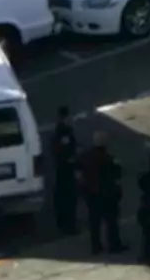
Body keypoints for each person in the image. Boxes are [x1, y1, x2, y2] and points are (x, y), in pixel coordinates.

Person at [78, 131, 125, 254]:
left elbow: (78, 168)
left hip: (91, 193)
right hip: (106, 194)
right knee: (111, 221)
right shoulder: (108, 159)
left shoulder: (86, 156)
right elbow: (117, 174)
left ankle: (96, 246)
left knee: (94, 221)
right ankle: (114, 244)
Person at [50, 106, 79, 234]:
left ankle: (63, 223)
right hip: (66, 169)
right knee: (69, 197)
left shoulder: (59, 130)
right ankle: (69, 225)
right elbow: (64, 149)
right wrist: (72, 159)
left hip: (62, 168)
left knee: (62, 197)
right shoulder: (64, 132)